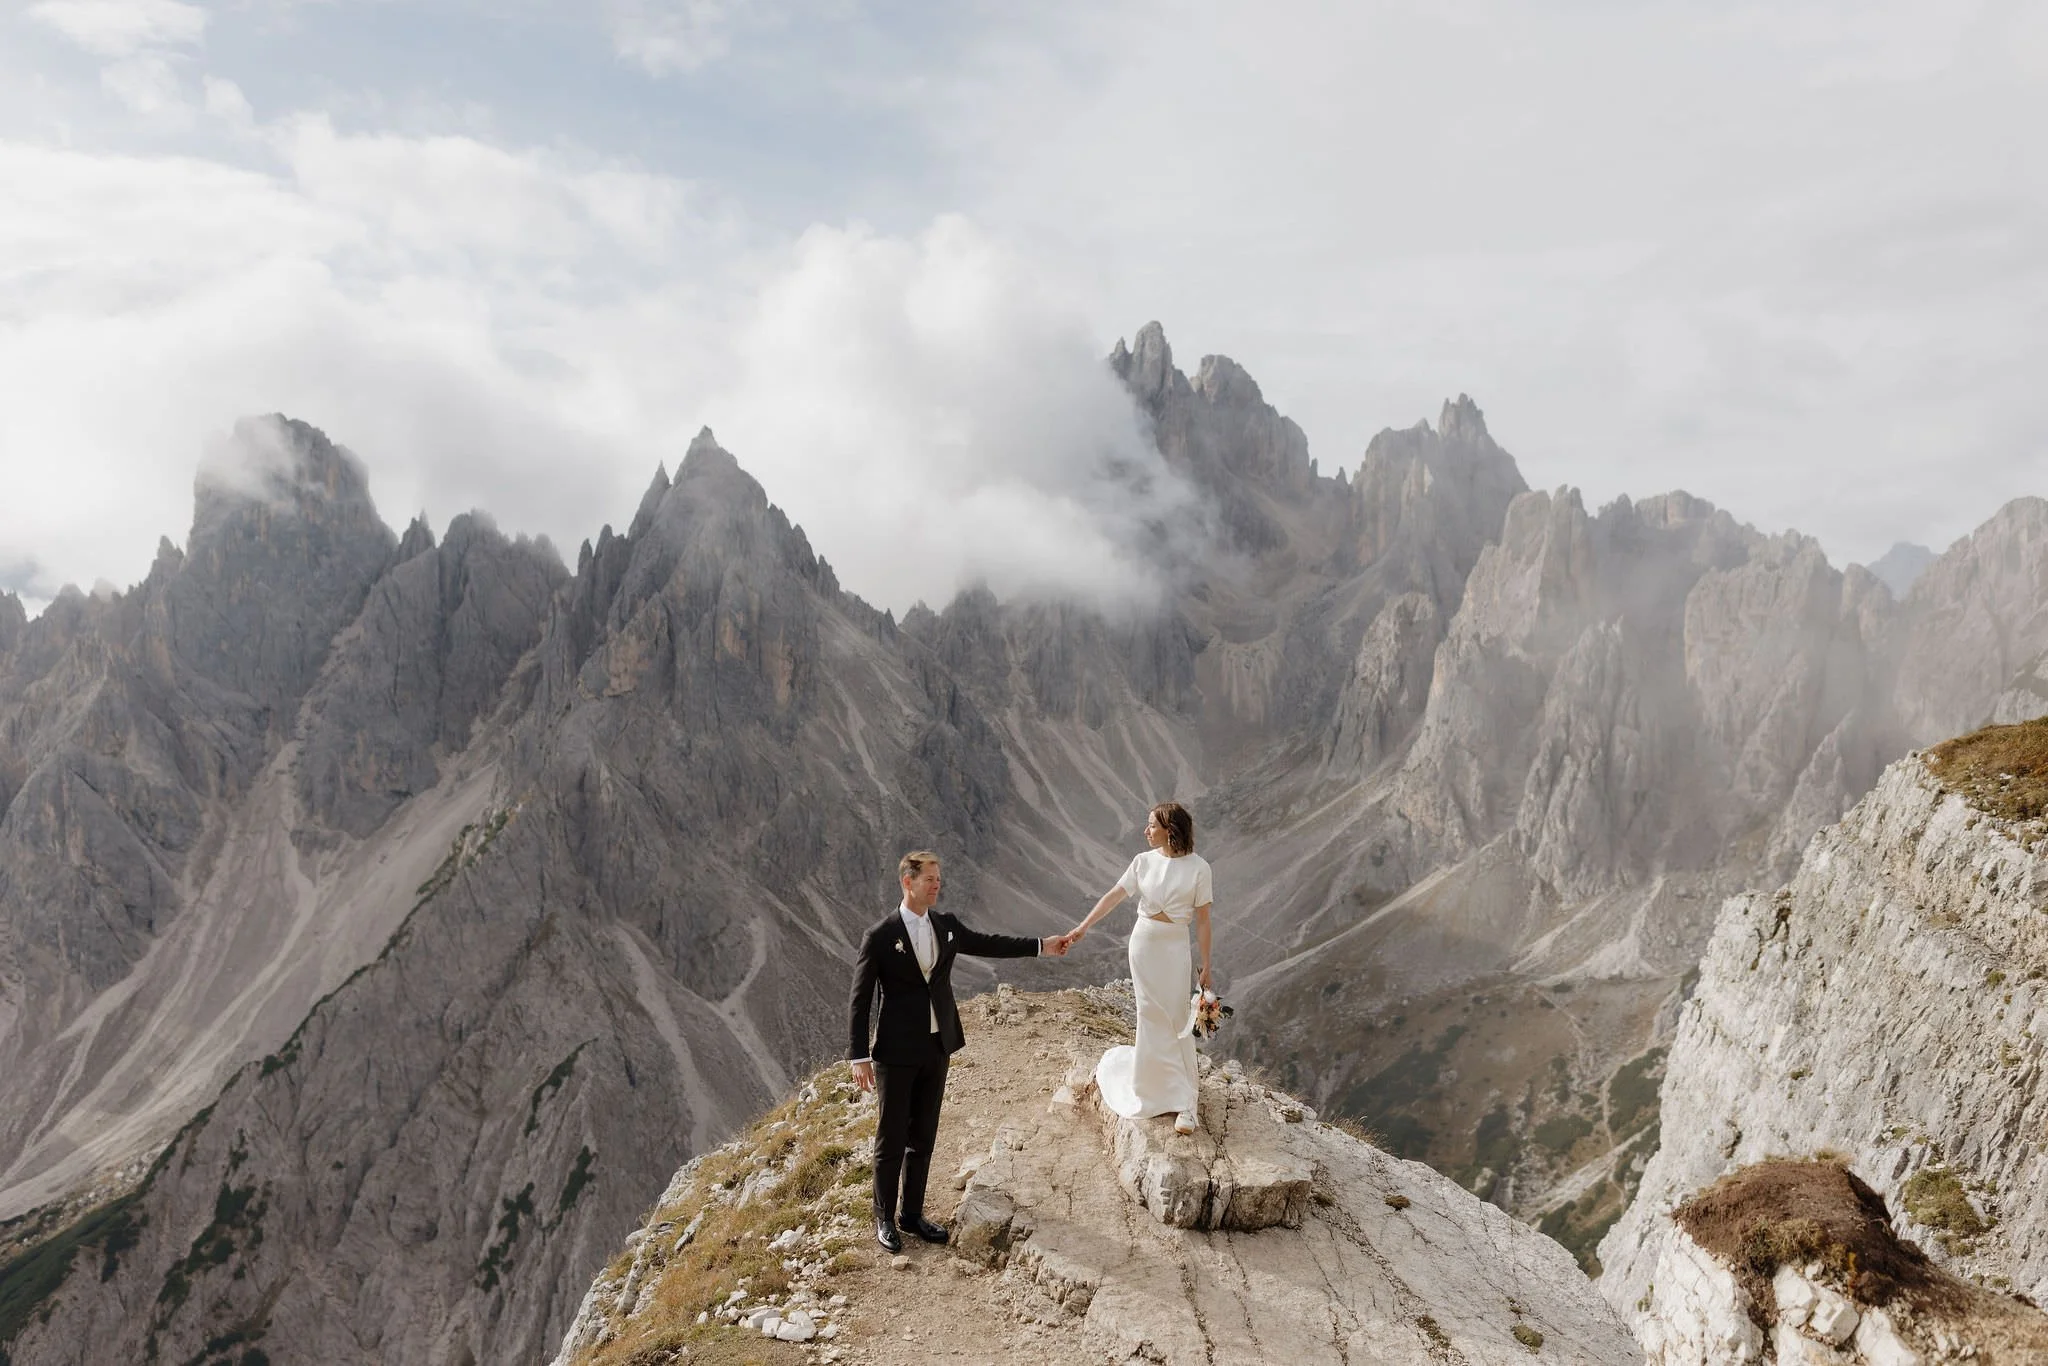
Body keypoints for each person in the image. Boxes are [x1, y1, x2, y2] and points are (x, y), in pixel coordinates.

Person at [848, 850, 1069, 1252]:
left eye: (938, 877)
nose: (937, 884)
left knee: (924, 1136)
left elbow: (989, 944)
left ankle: (911, 1215)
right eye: (930, 878)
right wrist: (858, 1055)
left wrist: (1042, 946)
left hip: (938, 1046)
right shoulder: (880, 936)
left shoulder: (946, 925)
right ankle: (883, 1217)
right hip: (895, 1053)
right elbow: (860, 999)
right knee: (891, 1137)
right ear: (907, 882)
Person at [1064, 802, 1214, 1135]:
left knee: (1176, 1017)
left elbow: (1203, 921)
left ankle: (1186, 1101)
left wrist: (1206, 965)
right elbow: (1114, 895)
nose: (1145, 831)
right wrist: (1084, 926)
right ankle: (1152, 1091)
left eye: (1151, 826)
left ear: (1170, 830)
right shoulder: (1142, 862)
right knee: (1149, 1015)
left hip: (1175, 948)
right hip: (1143, 945)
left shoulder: (1199, 868)